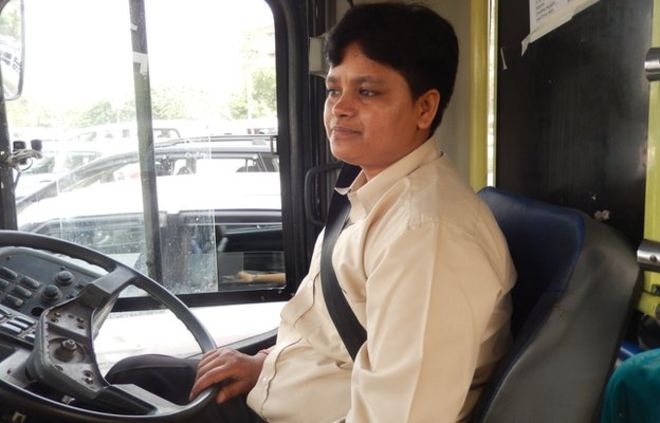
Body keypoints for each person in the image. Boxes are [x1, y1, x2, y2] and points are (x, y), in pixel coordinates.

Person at [106, 3, 516, 422]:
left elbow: (401, 416)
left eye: (367, 92)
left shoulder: (427, 235)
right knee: (134, 378)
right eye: (334, 90)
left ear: (424, 109)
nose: (339, 107)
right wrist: (263, 363)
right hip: (282, 390)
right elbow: (329, 330)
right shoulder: (371, 191)